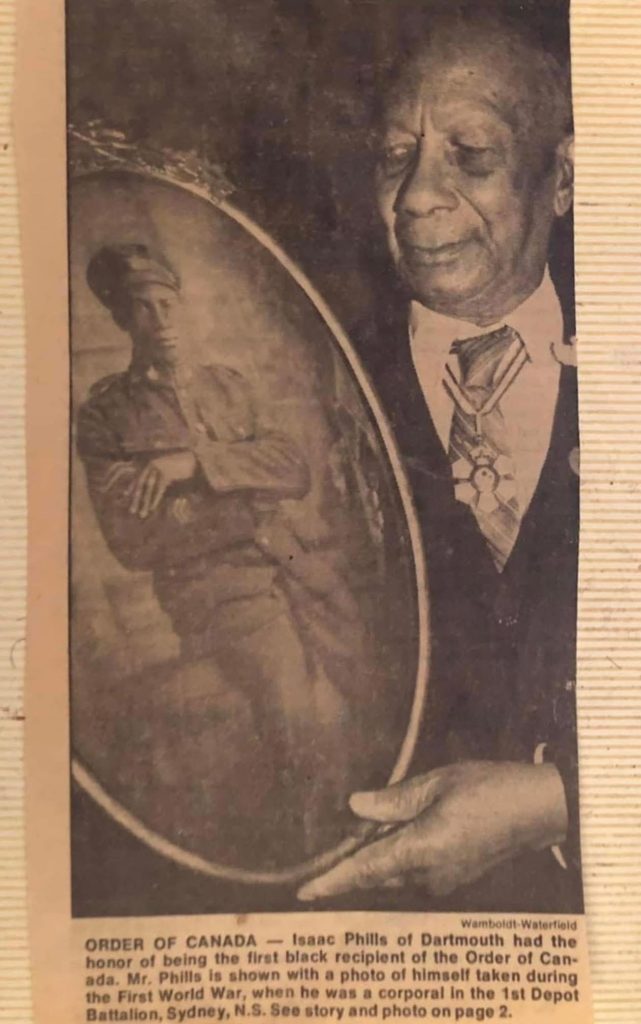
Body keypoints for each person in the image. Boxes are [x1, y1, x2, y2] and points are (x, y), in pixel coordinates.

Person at [298, 8, 581, 912]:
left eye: (469, 155)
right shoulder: (309, 379)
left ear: (562, 177)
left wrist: (559, 800)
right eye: (395, 158)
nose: (418, 195)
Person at [76, 242, 365, 860]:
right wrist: (242, 497)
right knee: (293, 702)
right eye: (145, 310)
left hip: (293, 563)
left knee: (362, 672)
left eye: (169, 305)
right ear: (123, 321)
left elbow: (293, 469)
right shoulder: (107, 418)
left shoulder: (227, 387)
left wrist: (195, 467)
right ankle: (309, 853)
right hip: (213, 591)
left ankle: (361, 830)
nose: (163, 322)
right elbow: (133, 541)